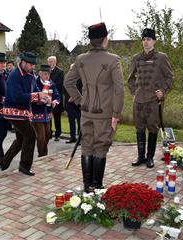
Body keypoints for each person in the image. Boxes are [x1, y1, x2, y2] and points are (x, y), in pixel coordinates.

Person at [64, 22, 124, 192]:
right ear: (105, 39)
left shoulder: (81, 59)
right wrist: (116, 114)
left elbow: (68, 82)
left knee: (87, 146)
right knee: (100, 147)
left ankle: (86, 185)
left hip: (86, 112)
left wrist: (79, 100)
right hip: (104, 114)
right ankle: (96, 187)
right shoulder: (113, 60)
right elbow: (119, 89)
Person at [128, 28, 173, 168]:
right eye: (144, 39)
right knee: (139, 128)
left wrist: (163, 90)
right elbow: (130, 79)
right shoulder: (136, 58)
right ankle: (141, 156)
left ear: (154, 41)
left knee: (153, 128)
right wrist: (134, 92)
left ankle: (150, 157)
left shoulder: (161, 57)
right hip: (139, 100)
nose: (146, 42)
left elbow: (169, 77)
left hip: (153, 100)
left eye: (148, 39)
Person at [0, 52, 49, 176]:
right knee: (31, 136)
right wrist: (37, 96)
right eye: (31, 65)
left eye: (34, 65)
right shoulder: (14, 76)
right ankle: (25, 166)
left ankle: (4, 162)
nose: (33, 67)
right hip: (13, 111)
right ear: (23, 62)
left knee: (21, 139)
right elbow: (18, 97)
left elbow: (35, 89)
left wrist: (42, 97)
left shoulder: (30, 75)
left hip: (24, 111)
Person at [31, 64, 60, 157]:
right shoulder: (34, 82)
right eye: (45, 74)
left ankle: (43, 153)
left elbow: (57, 95)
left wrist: (55, 101)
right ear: (40, 74)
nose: (47, 76)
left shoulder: (52, 84)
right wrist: (39, 99)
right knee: (41, 136)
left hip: (48, 114)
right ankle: (42, 155)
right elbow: (31, 96)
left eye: (48, 74)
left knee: (47, 135)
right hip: (37, 113)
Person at [48, 56, 64, 141]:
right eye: (48, 62)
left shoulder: (60, 72)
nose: (49, 63)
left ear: (55, 62)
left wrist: (50, 86)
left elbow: (60, 84)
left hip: (56, 97)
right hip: (47, 98)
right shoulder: (46, 71)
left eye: (51, 62)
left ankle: (58, 134)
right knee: (48, 116)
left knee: (57, 117)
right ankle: (49, 133)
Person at [63, 72, 82, 143]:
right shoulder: (67, 79)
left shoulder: (81, 79)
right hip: (69, 104)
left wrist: (74, 96)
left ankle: (80, 139)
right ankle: (72, 137)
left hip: (78, 104)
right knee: (71, 121)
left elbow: (83, 90)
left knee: (80, 121)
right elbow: (64, 90)